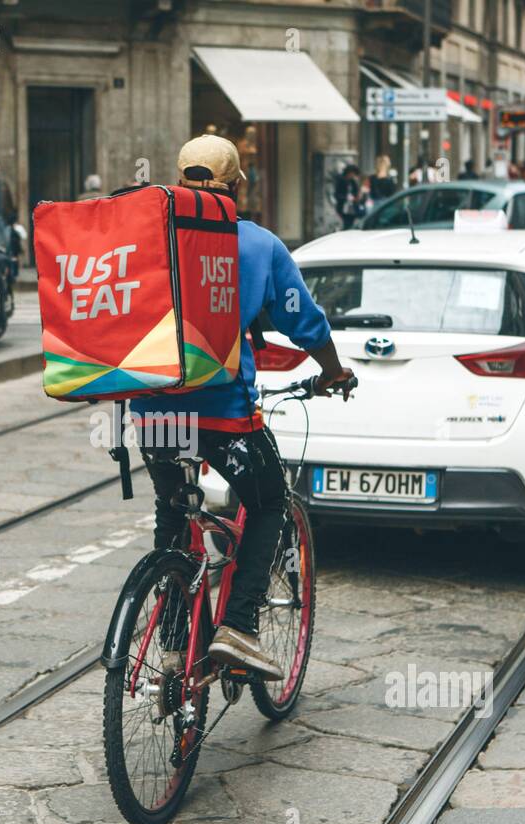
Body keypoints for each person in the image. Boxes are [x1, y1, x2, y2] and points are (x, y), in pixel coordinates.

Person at [132, 134, 355, 679]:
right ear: (234, 186)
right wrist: (333, 371)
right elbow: (304, 321)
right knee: (271, 501)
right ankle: (238, 626)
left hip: (155, 410)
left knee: (174, 514)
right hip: (224, 413)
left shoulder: (149, 234)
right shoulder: (256, 244)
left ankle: (170, 646)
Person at [334, 164, 363, 228]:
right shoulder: (341, 180)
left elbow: (357, 191)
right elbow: (337, 194)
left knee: (351, 223)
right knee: (346, 224)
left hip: (352, 207)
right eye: (352, 174)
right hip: (343, 207)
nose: (353, 176)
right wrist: (347, 198)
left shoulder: (353, 181)